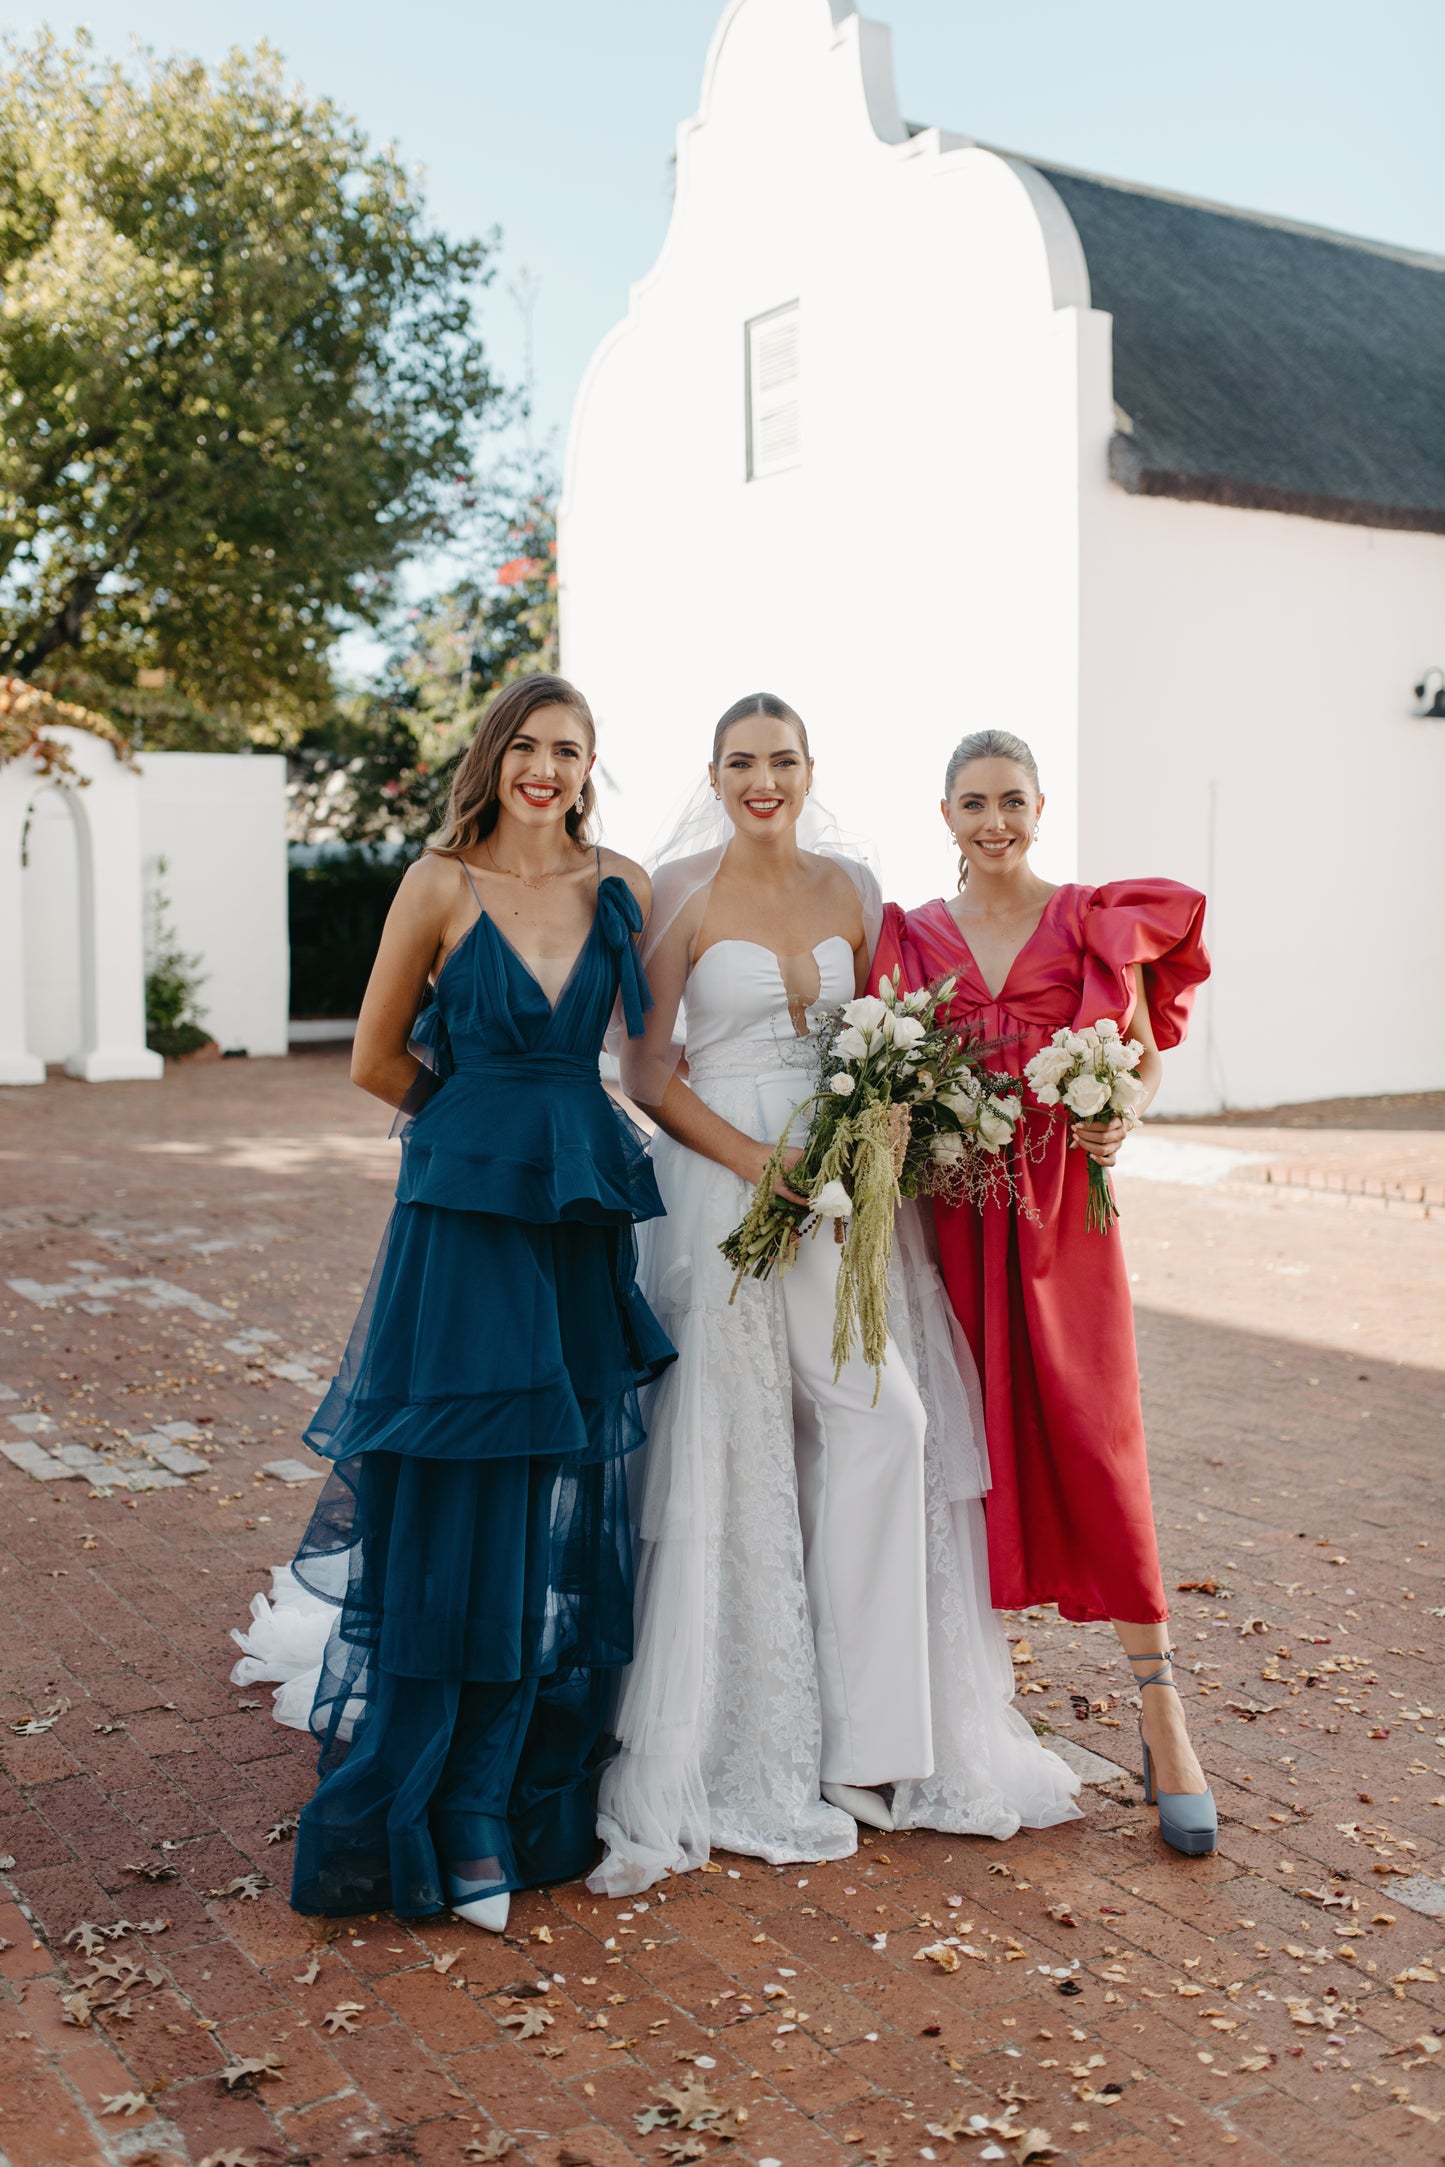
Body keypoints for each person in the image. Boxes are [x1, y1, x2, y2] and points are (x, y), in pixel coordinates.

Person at [589, 694, 1078, 1897]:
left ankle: (873, 1744)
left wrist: (880, 1133)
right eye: (741, 763)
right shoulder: (678, 891)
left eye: (782, 761)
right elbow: (645, 1068)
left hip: (847, 1194)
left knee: (884, 1423)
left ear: (809, 770)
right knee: (742, 1445)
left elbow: (886, 1033)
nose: (763, 781)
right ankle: (749, 1734)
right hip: (728, 1189)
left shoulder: (855, 887)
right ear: (713, 774)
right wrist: (759, 1166)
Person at [230, 673, 674, 1930]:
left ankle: (492, 1795)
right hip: (462, 1219)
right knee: (453, 1493)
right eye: (525, 745)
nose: (545, 767)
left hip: (575, 1218)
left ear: (589, 766)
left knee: (547, 1495)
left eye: (568, 749)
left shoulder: (623, 885)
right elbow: (376, 1057)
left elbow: (646, 1056)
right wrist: (476, 1141)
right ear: (492, 756)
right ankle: (435, 1800)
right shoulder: (436, 882)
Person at [872, 727, 1216, 1856]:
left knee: (1097, 1443)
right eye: (973, 802)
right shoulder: (910, 937)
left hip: (1065, 1218)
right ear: (944, 814)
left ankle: (1161, 1713)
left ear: (1038, 806)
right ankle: (958, 1712)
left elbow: (1139, 1057)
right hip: (952, 1221)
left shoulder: (1087, 920)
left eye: (1011, 800)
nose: (994, 822)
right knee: (957, 1455)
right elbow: (884, 1078)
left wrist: (1124, 1115)